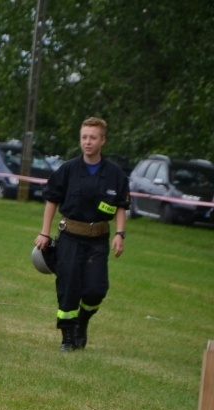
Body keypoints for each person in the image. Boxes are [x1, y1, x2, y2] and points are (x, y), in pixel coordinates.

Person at [33, 117, 129, 352]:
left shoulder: (115, 174)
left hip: (98, 240)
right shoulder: (68, 169)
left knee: (96, 289)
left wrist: (120, 233)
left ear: (102, 140)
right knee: (68, 286)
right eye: (84, 137)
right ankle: (67, 336)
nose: (87, 142)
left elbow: (120, 206)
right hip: (70, 238)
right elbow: (51, 200)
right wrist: (44, 233)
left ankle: (82, 322)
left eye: (93, 137)